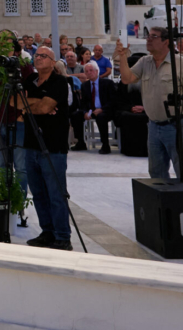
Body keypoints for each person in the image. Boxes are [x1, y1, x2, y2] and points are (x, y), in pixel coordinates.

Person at [113, 27, 183, 180]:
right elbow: (127, 79)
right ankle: (164, 203)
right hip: (154, 126)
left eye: (153, 36)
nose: (148, 39)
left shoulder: (181, 63)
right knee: (156, 172)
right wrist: (122, 57)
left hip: (177, 124)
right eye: (148, 36)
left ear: (166, 41)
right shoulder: (145, 62)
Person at [18, 48, 73, 250]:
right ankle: (47, 232)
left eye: (43, 56)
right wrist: (35, 103)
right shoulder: (30, 79)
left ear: (52, 61)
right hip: (31, 144)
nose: (38, 58)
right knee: (38, 193)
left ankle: (62, 236)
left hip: (53, 146)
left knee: (56, 193)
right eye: (37, 56)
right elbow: (17, 102)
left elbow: (45, 107)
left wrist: (29, 105)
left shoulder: (60, 82)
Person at [72, 62, 114, 154]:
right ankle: (81, 142)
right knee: (76, 115)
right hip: (91, 110)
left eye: (91, 70)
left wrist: (102, 109)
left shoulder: (108, 83)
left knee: (101, 117)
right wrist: (85, 112)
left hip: (105, 110)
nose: (89, 73)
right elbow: (83, 103)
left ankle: (105, 145)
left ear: (97, 71)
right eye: (86, 71)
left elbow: (113, 100)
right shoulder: (84, 85)